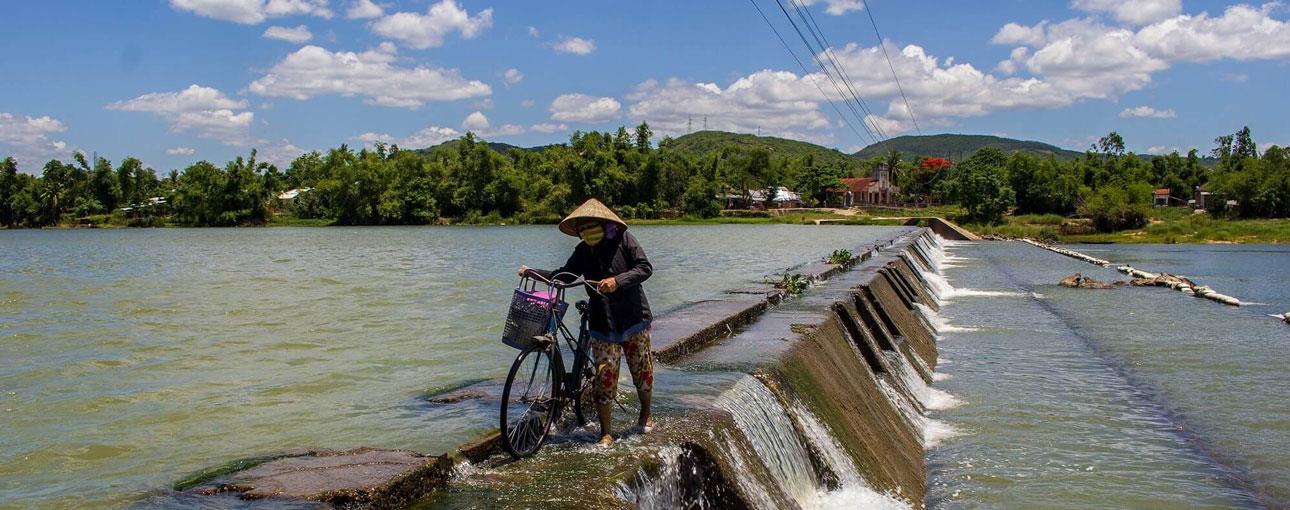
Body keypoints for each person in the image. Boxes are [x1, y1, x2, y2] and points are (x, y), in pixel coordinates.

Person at [519, 198, 655, 447]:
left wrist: (617, 281)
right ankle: (606, 432)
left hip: (634, 317)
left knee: (642, 372)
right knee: (604, 377)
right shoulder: (583, 251)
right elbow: (563, 274)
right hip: (602, 321)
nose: (586, 231)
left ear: (605, 225)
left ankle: (645, 416)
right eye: (582, 228)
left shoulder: (624, 240)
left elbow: (645, 268)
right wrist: (532, 272)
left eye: (590, 226)